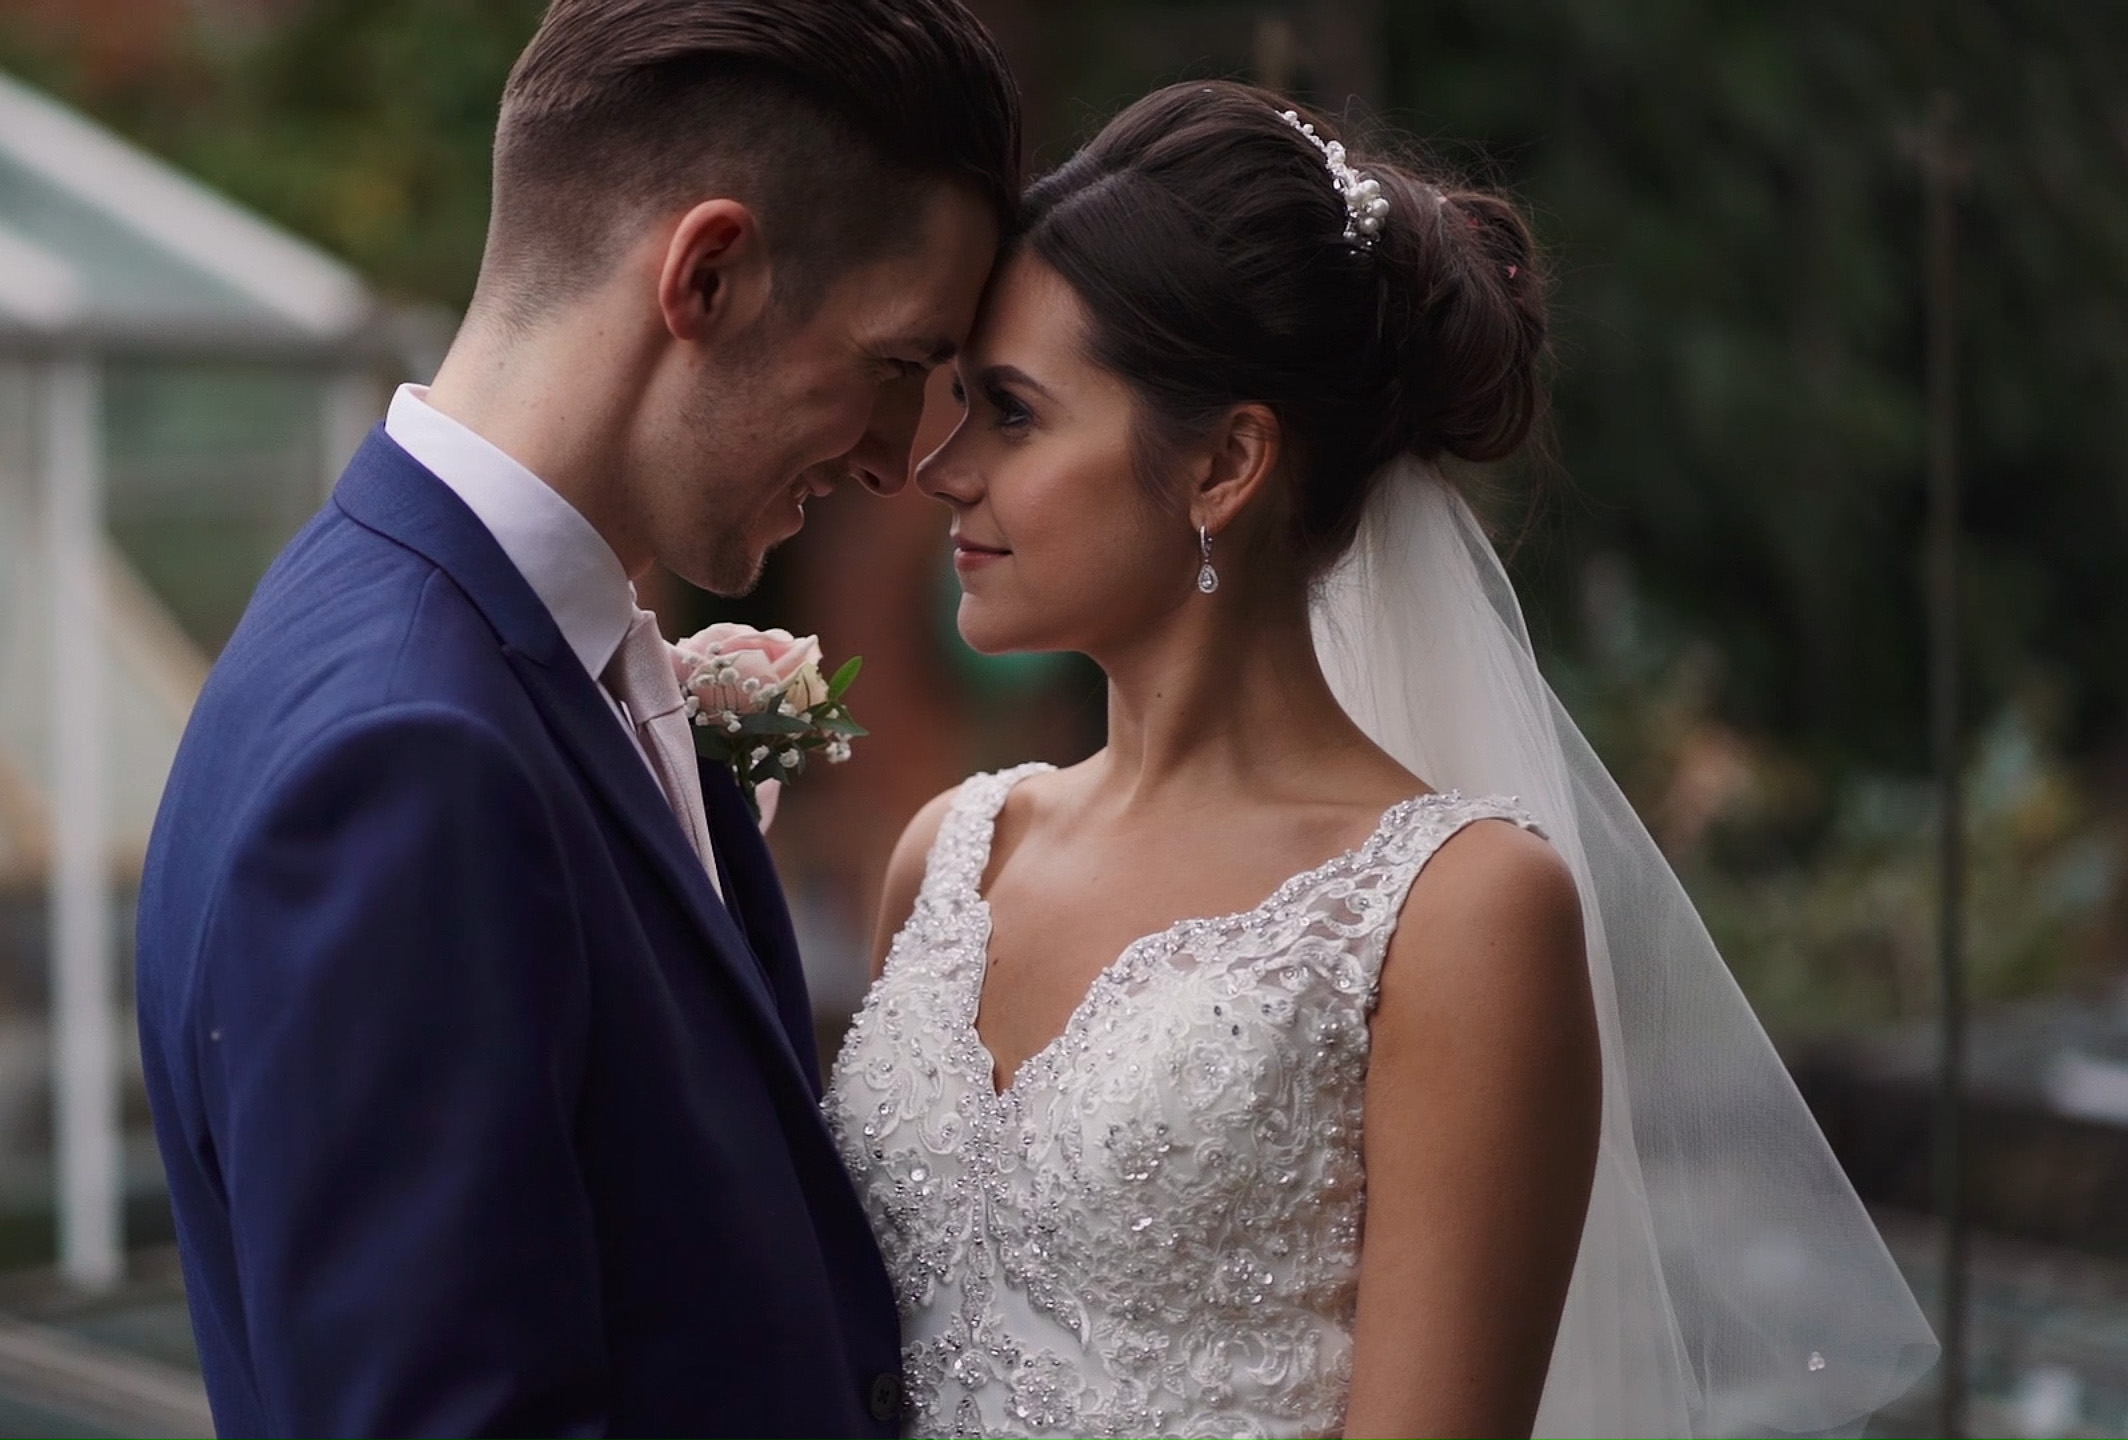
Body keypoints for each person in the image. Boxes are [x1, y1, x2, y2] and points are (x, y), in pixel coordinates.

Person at [824, 82, 1937, 1437]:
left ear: (1223, 462)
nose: (940, 468)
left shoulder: (1456, 911)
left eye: (1010, 414)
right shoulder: (946, 860)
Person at [132, 2, 1017, 1433]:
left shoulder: (479, 653)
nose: (893, 460)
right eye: (896, 366)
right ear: (710, 275)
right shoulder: (404, 763)